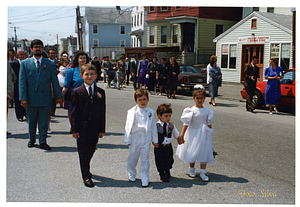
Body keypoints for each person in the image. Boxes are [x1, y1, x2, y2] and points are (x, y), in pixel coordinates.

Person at [19, 39, 63, 150]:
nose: (38, 49)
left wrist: (58, 96)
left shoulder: (49, 63)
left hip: (45, 96)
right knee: (31, 120)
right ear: (32, 49)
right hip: (30, 97)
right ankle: (32, 139)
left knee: (43, 121)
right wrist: (23, 98)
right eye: (35, 47)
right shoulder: (25, 63)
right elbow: (22, 82)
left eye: (40, 47)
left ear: (43, 49)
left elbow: (55, 81)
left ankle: (43, 141)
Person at [70, 63, 106, 187]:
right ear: (81, 76)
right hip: (82, 127)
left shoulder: (100, 92)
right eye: (87, 74)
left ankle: (85, 165)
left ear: (96, 76)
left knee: (91, 149)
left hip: (95, 127)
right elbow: (73, 112)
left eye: (92, 74)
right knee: (83, 151)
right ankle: (86, 175)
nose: (89, 76)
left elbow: (102, 111)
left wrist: (102, 129)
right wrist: (74, 129)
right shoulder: (76, 92)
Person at [176, 86, 215, 181]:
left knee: (204, 152)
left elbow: (209, 124)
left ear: (204, 98)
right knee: (192, 151)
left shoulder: (207, 112)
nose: (199, 100)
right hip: (193, 133)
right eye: (197, 98)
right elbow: (186, 124)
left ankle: (202, 172)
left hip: (204, 134)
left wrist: (209, 134)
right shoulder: (191, 111)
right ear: (193, 98)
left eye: (201, 98)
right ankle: (192, 169)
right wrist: (182, 135)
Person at [124, 89, 159, 187]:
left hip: (146, 136)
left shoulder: (151, 112)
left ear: (148, 100)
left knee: (145, 158)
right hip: (135, 136)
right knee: (133, 156)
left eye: (144, 99)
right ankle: (131, 173)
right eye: (140, 100)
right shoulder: (131, 112)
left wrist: (155, 140)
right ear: (136, 101)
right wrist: (127, 139)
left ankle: (145, 177)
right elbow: (127, 126)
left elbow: (153, 127)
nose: (142, 102)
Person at [155, 103, 183, 182]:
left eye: (169, 116)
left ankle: (167, 170)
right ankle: (162, 174)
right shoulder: (156, 126)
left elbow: (175, 133)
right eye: (166, 116)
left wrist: (179, 138)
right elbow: (152, 135)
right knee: (160, 160)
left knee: (169, 159)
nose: (168, 118)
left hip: (168, 146)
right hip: (159, 147)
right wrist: (154, 142)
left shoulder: (171, 125)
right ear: (159, 116)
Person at [63, 50, 90, 126]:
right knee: (75, 118)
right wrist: (60, 97)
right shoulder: (71, 71)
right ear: (77, 60)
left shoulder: (91, 70)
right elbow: (66, 86)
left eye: (84, 58)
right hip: (75, 98)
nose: (82, 59)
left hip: (88, 97)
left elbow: (94, 85)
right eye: (80, 58)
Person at [10, 49, 26, 121]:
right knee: (17, 99)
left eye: (23, 54)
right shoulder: (13, 64)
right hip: (17, 84)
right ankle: (19, 115)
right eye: (20, 55)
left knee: (26, 99)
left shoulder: (27, 63)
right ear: (17, 55)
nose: (22, 56)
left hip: (26, 84)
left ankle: (26, 114)